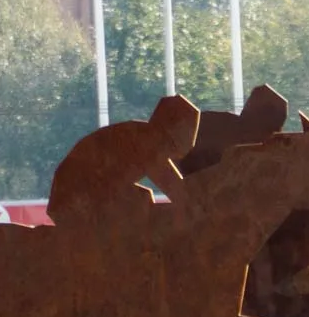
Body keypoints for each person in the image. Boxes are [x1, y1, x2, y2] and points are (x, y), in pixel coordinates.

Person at [47, 94, 201, 230]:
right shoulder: (146, 142)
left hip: (76, 200)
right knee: (139, 202)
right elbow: (176, 190)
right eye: (172, 148)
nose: (170, 155)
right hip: (73, 205)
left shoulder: (141, 135)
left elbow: (177, 190)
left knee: (141, 199)